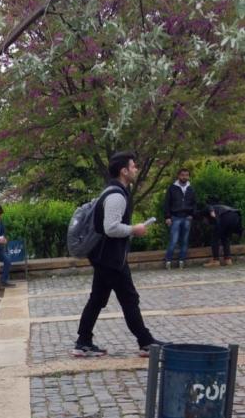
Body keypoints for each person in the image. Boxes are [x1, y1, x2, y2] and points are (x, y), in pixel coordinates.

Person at [73, 151, 167, 358]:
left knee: (97, 299)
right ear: (124, 171)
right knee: (129, 298)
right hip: (110, 259)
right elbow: (111, 228)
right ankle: (145, 342)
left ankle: (83, 341)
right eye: (133, 166)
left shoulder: (114, 191)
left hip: (104, 257)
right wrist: (135, 229)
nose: (135, 169)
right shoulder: (116, 195)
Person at [163, 168, 197, 270]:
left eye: (186, 175)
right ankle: (168, 260)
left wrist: (192, 215)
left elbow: (194, 203)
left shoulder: (190, 188)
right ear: (178, 176)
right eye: (182, 175)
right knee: (174, 240)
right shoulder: (172, 188)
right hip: (175, 217)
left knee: (185, 241)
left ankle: (182, 261)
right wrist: (167, 217)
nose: (184, 177)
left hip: (187, 218)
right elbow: (167, 204)